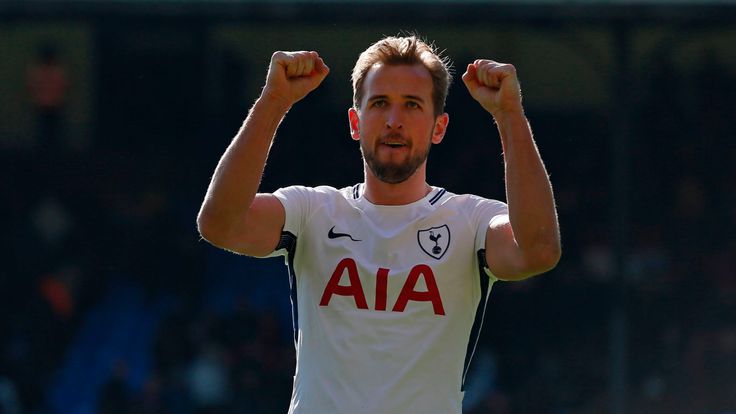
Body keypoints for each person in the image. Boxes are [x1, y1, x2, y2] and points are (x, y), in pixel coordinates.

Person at [197, 35, 561, 413]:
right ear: (355, 122)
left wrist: (509, 116)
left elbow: (538, 250)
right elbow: (220, 224)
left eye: (412, 105)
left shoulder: (471, 220)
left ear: (439, 127)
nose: (393, 121)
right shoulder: (312, 210)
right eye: (380, 103)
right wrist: (273, 102)